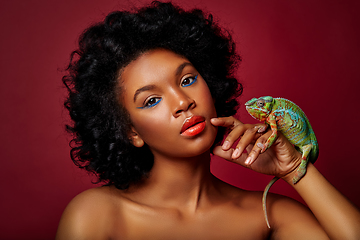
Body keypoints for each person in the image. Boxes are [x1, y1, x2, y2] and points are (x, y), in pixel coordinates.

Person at [56, 1, 360, 239]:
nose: (182, 102)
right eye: (152, 100)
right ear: (131, 131)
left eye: (187, 80)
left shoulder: (268, 215)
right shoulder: (95, 215)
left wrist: (295, 168)